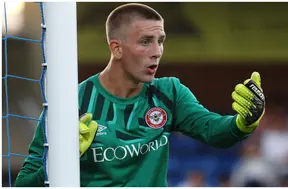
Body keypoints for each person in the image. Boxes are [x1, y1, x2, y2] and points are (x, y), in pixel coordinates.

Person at [14, 3, 265, 187]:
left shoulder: (170, 92)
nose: (157, 51)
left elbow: (214, 131)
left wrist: (243, 122)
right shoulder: (71, 102)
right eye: (145, 41)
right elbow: (25, 183)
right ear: (117, 48)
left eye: (161, 40)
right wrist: (60, 157)